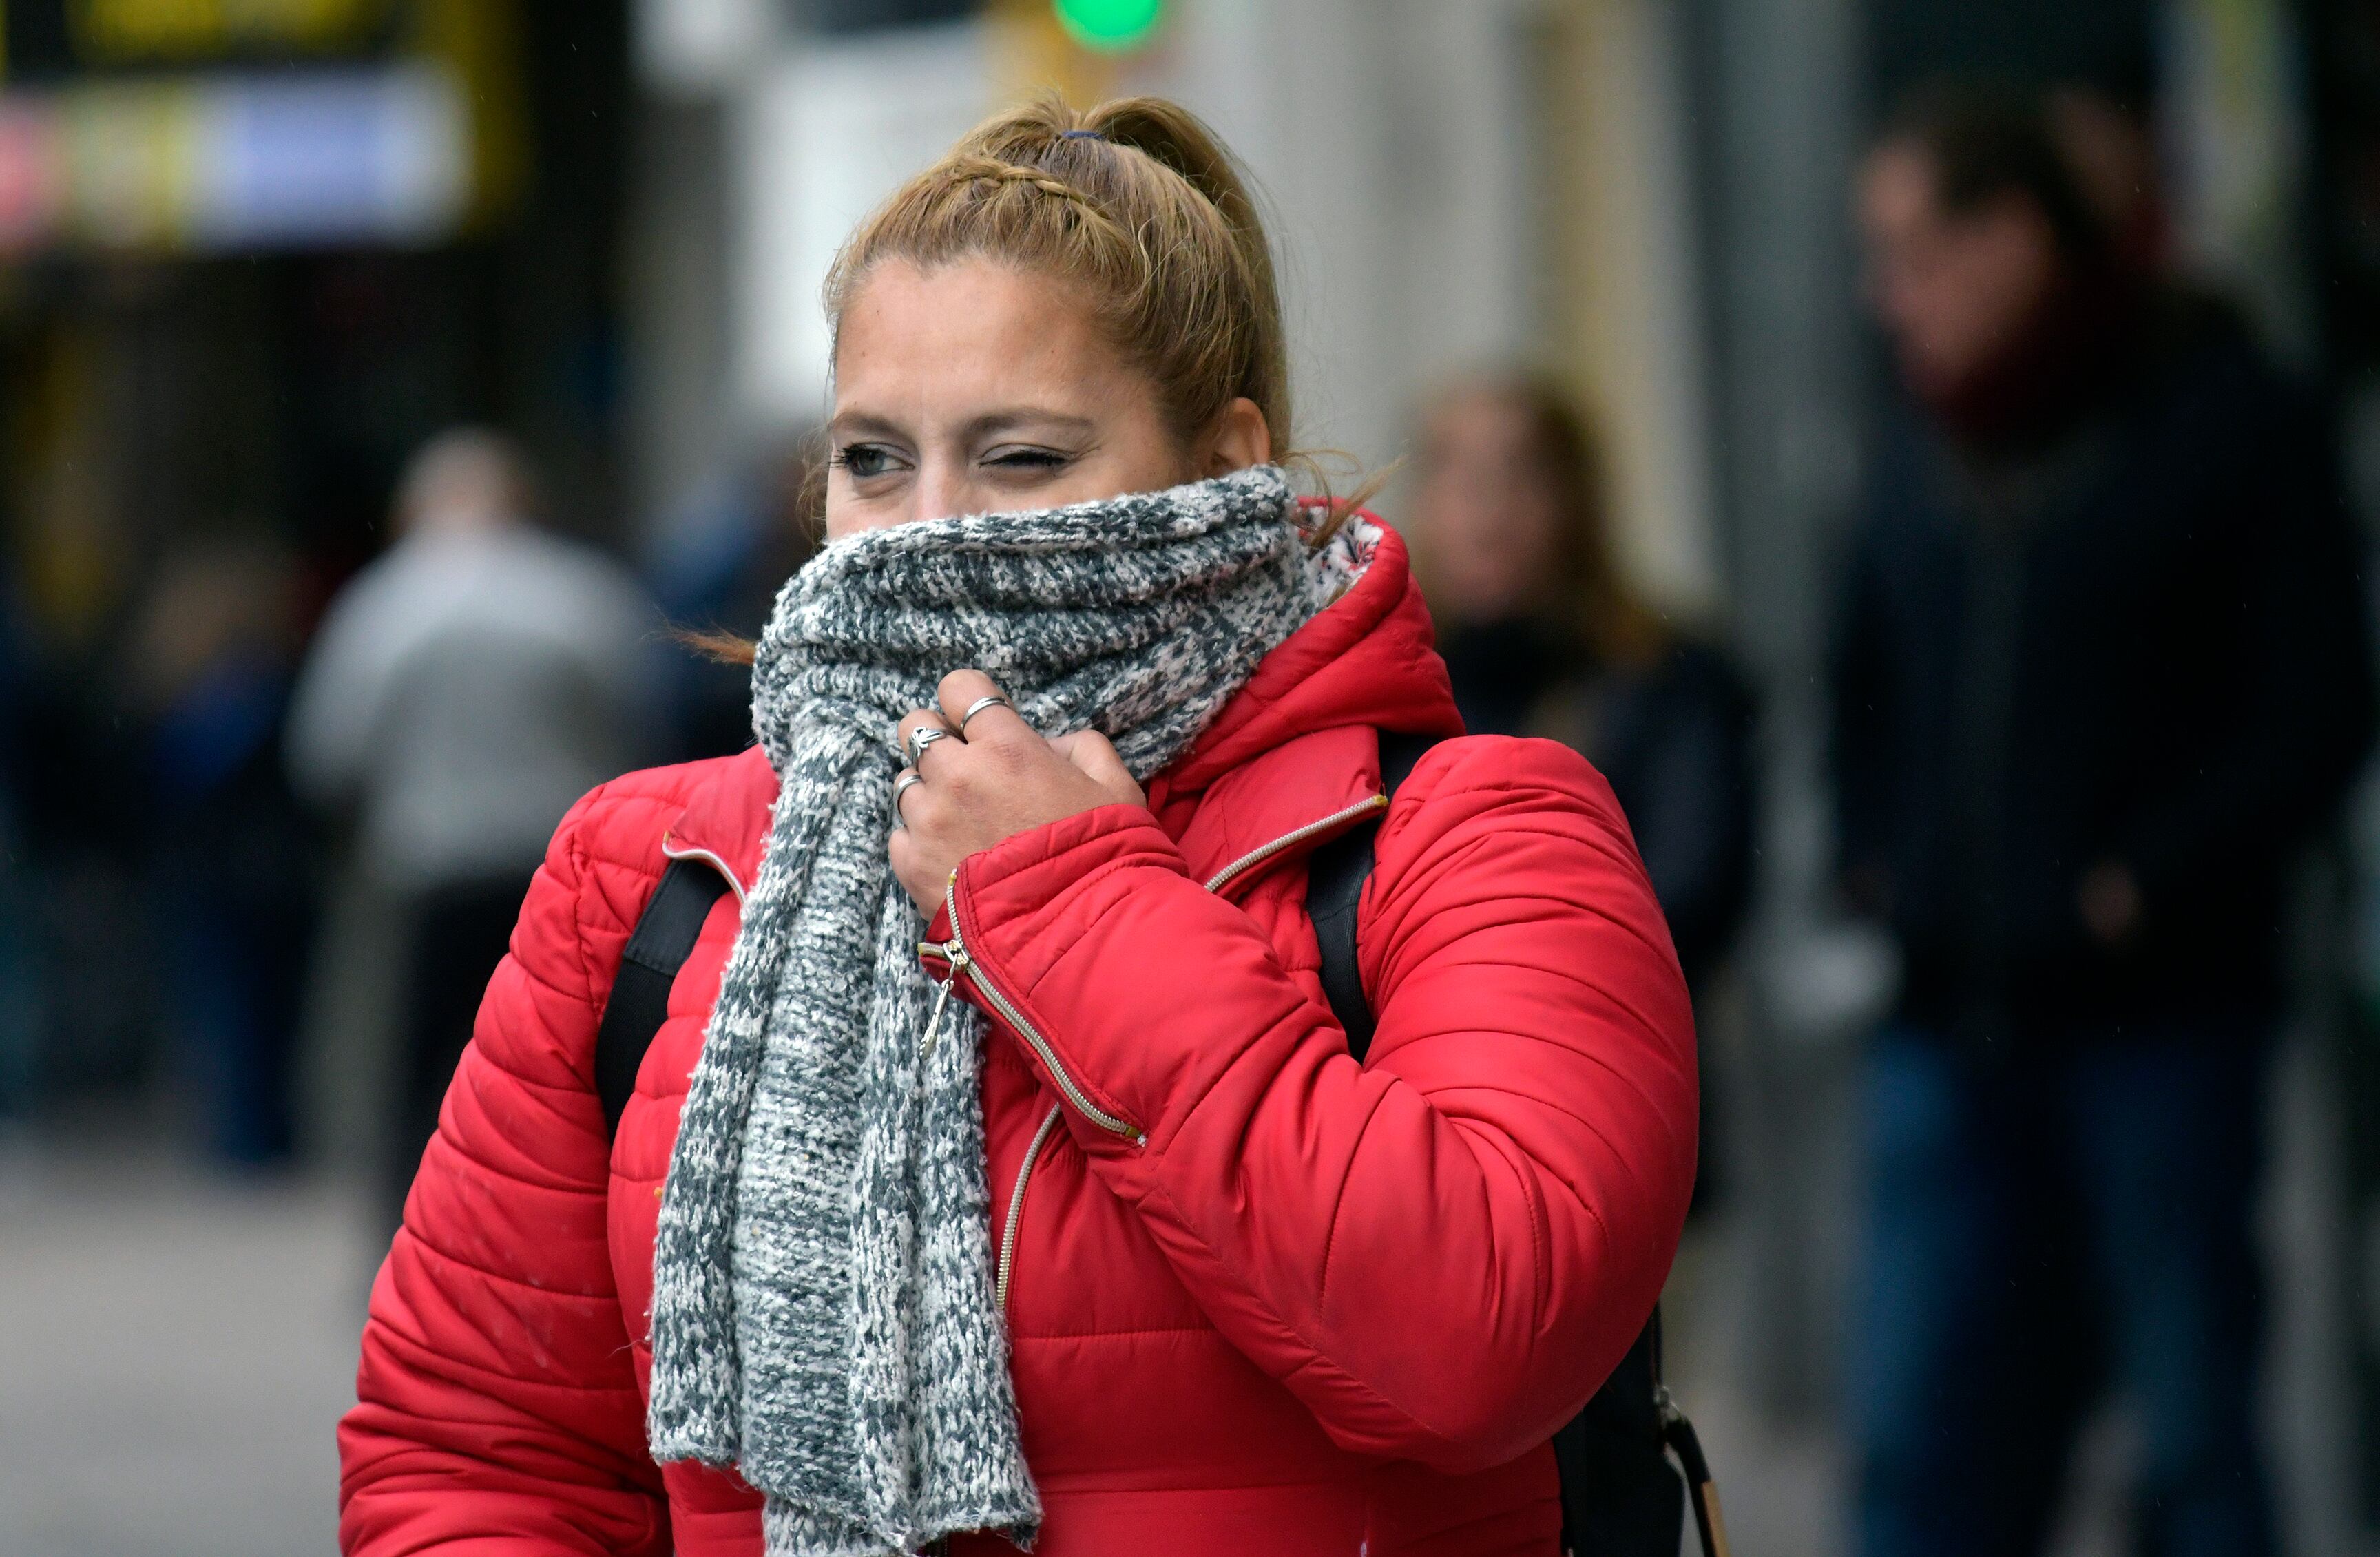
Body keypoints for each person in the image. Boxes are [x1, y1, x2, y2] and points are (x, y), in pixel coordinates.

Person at [337, 97, 1698, 1557]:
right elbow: (473, 1455)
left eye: (1023, 458)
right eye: (872, 459)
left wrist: (1069, 893)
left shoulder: (1475, 836)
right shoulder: (650, 877)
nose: (929, 530)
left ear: (1225, 462)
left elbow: (1480, 1340)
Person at [1836, 85, 2377, 1557]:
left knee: (2194, 1428)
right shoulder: (1918, 443)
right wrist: (1877, 861)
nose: (1889, 299)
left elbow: (2314, 712)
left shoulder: (2225, 420)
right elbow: (1862, 680)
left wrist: (2148, 879)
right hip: (1948, 1010)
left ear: (2016, 236)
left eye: (1915, 253)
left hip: (2163, 1018)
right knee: (1924, 1432)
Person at [286, 429, 659, 1231]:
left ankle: (412, 1228)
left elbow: (329, 749)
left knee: (416, 1065)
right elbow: (640, 720)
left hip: (432, 863)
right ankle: (585, 1233)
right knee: (571, 1064)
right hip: (558, 863)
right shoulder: (580, 594)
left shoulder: (382, 604)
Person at [1408, 376, 1753, 1208]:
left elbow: (1694, 889)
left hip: (1626, 1118)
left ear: (1574, 502)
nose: (1487, 508)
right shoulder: (1391, 689)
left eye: (1519, 474)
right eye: (1457, 475)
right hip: (1431, 1140)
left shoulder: (1663, 677)